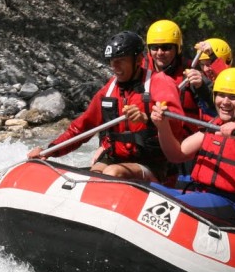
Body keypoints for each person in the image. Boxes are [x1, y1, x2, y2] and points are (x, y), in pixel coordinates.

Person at [27, 31, 186, 180]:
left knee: (113, 172)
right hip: (114, 157)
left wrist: (148, 119)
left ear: (138, 60)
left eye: (121, 61)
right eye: (112, 61)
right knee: (94, 175)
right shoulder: (109, 89)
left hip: (153, 163)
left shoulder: (160, 82)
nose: (114, 67)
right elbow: (82, 127)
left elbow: (177, 125)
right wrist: (49, 150)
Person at [150, 68, 235, 221]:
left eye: (233, 97)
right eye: (221, 95)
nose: (225, 102)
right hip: (205, 194)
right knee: (146, 191)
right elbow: (177, 154)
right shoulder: (216, 123)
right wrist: (162, 126)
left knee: (165, 205)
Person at [145, 19, 211, 119]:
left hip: (185, 133)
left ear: (177, 48)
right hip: (152, 131)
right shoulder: (140, 70)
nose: (159, 53)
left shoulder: (190, 70)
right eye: (154, 47)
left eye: (166, 47)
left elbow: (216, 106)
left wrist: (202, 87)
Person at [182, 38, 232, 119]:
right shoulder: (197, 79)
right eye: (202, 64)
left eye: (210, 63)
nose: (206, 69)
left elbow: (226, 80)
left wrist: (201, 86)